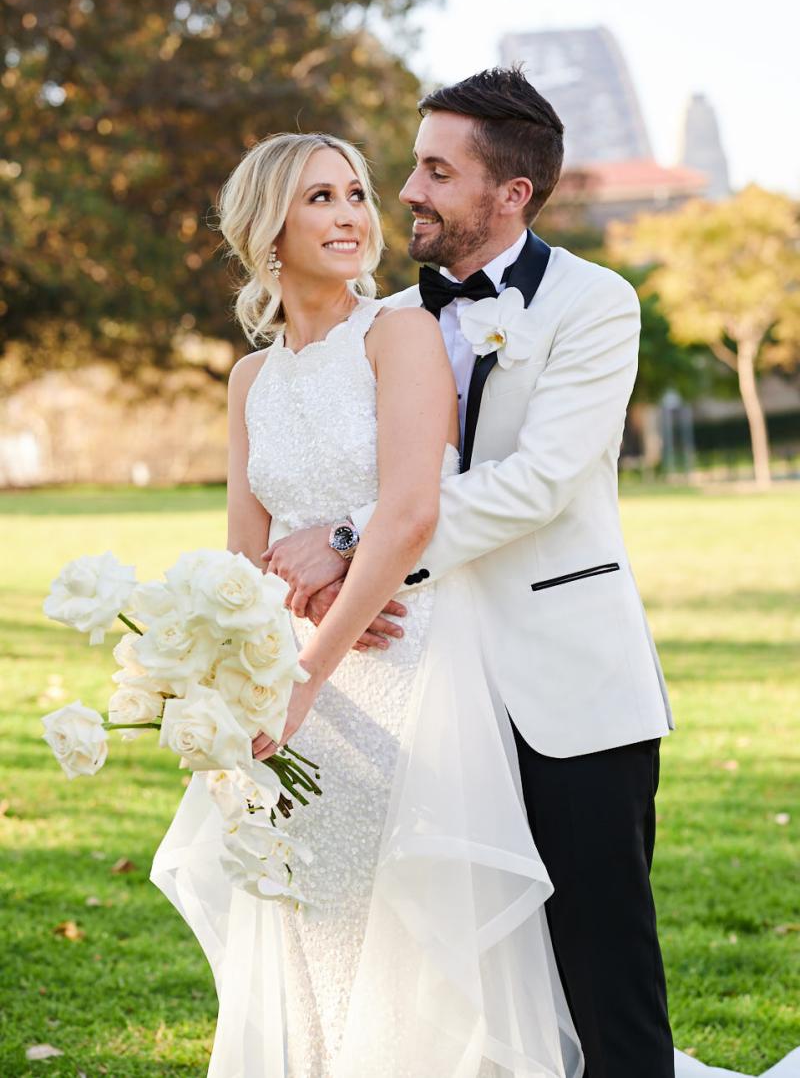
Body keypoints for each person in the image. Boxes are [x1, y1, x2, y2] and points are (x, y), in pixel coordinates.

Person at [260, 68, 677, 1078]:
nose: (405, 191)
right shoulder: (385, 322)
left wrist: (358, 543)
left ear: (510, 195)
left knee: (600, 960)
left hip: (565, 687)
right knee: (453, 971)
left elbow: (535, 483)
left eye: (436, 173)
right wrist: (331, 598)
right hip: (417, 686)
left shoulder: (595, 304)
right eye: (411, 165)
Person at [153, 127, 582, 1078]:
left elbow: (409, 512)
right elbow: (246, 552)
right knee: (308, 910)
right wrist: (245, 673)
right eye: (320, 198)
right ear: (267, 227)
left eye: (354, 194)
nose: (351, 214)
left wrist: (314, 664)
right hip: (294, 682)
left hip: (399, 660)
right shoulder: (249, 378)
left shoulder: (399, 332)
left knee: (410, 925)